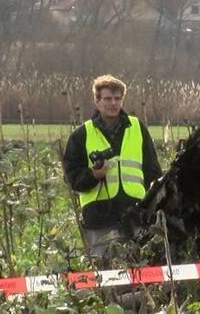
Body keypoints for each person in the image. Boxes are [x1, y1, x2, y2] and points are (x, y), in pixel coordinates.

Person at [62, 75, 162, 265]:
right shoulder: (81, 134)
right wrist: (93, 175)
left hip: (136, 215)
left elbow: (153, 173)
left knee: (141, 269)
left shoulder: (138, 128)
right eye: (108, 99)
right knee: (106, 273)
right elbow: (72, 179)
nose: (113, 103)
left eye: (117, 99)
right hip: (100, 218)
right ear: (97, 101)